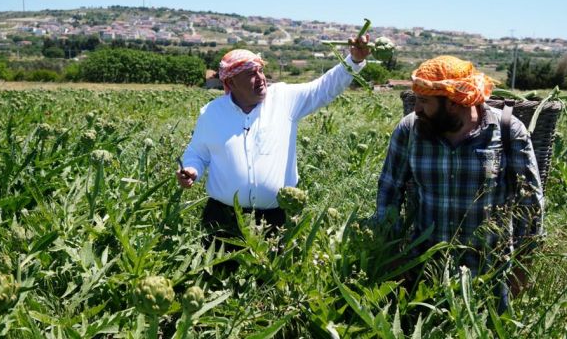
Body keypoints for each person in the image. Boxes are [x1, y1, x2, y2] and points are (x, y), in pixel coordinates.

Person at [375, 55, 544, 308]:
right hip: (424, 276)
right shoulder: (409, 130)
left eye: (423, 101)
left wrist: (522, 268)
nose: (416, 109)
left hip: (491, 277)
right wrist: (392, 256)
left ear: (454, 102)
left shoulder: (508, 130)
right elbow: (388, 192)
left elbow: (530, 204)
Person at [177, 37, 370, 242]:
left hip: (273, 218)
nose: (261, 78)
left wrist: (354, 61)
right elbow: (197, 152)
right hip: (222, 217)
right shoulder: (212, 112)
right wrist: (191, 170)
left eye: (261, 71)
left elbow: (324, 88)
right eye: (251, 74)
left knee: (269, 273)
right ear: (231, 82)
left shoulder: (284, 99)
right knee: (216, 271)